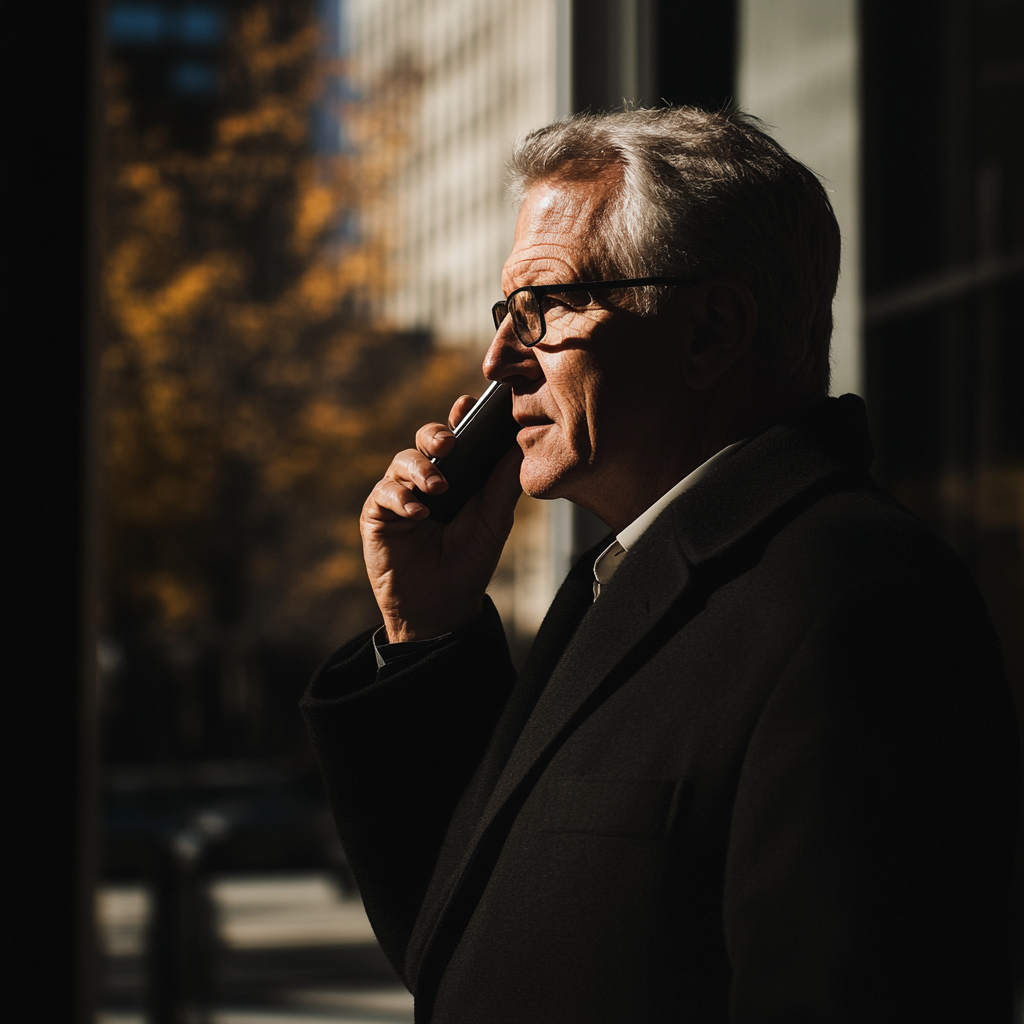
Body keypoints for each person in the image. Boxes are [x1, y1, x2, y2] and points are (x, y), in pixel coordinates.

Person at [300, 108, 1019, 1022]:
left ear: (710, 330)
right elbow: (461, 947)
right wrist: (426, 632)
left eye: (545, 307)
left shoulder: (860, 604)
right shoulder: (628, 579)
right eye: (506, 314)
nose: (499, 359)